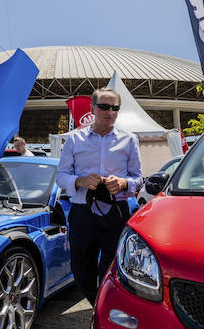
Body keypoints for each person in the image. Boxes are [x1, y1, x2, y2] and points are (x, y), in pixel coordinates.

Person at [56, 87, 142, 306]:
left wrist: (123, 183)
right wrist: (80, 181)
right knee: (81, 268)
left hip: (116, 211)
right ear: (93, 108)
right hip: (83, 211)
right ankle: (98, 304)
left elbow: (138, 178)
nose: (109, 112)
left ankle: (103, 309)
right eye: (104, 106)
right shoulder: (74, 139)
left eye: (115, 108)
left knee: (112, 268)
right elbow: (61, 175)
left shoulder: (129, 140)